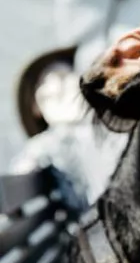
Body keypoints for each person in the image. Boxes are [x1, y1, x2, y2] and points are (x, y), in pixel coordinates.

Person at [10, 47, 127, 211]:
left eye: (62, 77)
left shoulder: (121, 110)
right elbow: (19, 181)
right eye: (46, 97)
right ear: (38, 112)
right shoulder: (48, 146)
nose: (57, 88)